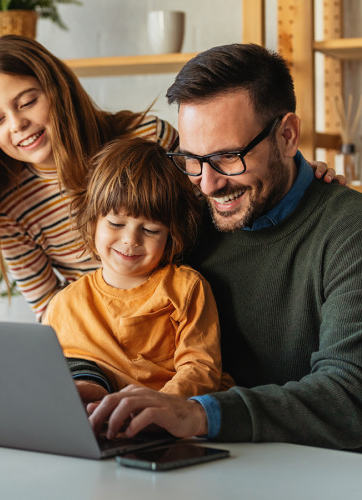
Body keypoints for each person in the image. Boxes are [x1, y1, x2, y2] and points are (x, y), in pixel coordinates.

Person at [86, 43, 362, 451]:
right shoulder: (183, 219)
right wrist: (85, 380)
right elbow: (114, 311)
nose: (208, 183)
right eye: (192, 159)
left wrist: (199, 413)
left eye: (229, 157)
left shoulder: (348, 230)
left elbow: (348, 396)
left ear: (287, 136)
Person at [0, 35, 178, 322]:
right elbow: (49, 311)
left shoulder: (150, 139)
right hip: (97, 336)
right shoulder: (10, 209)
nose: (17, 124)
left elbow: (210, 241)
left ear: (58, 89)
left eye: (27, 102)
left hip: (183, 313)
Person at [45, 137, 229, 398]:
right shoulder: (64, 306)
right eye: (116, 224)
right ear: (93, 221)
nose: (131, 240)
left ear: (171, 236)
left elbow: (200, 369)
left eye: (150, 230)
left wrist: (161, 408)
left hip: (172, 419)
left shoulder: (186, 288)